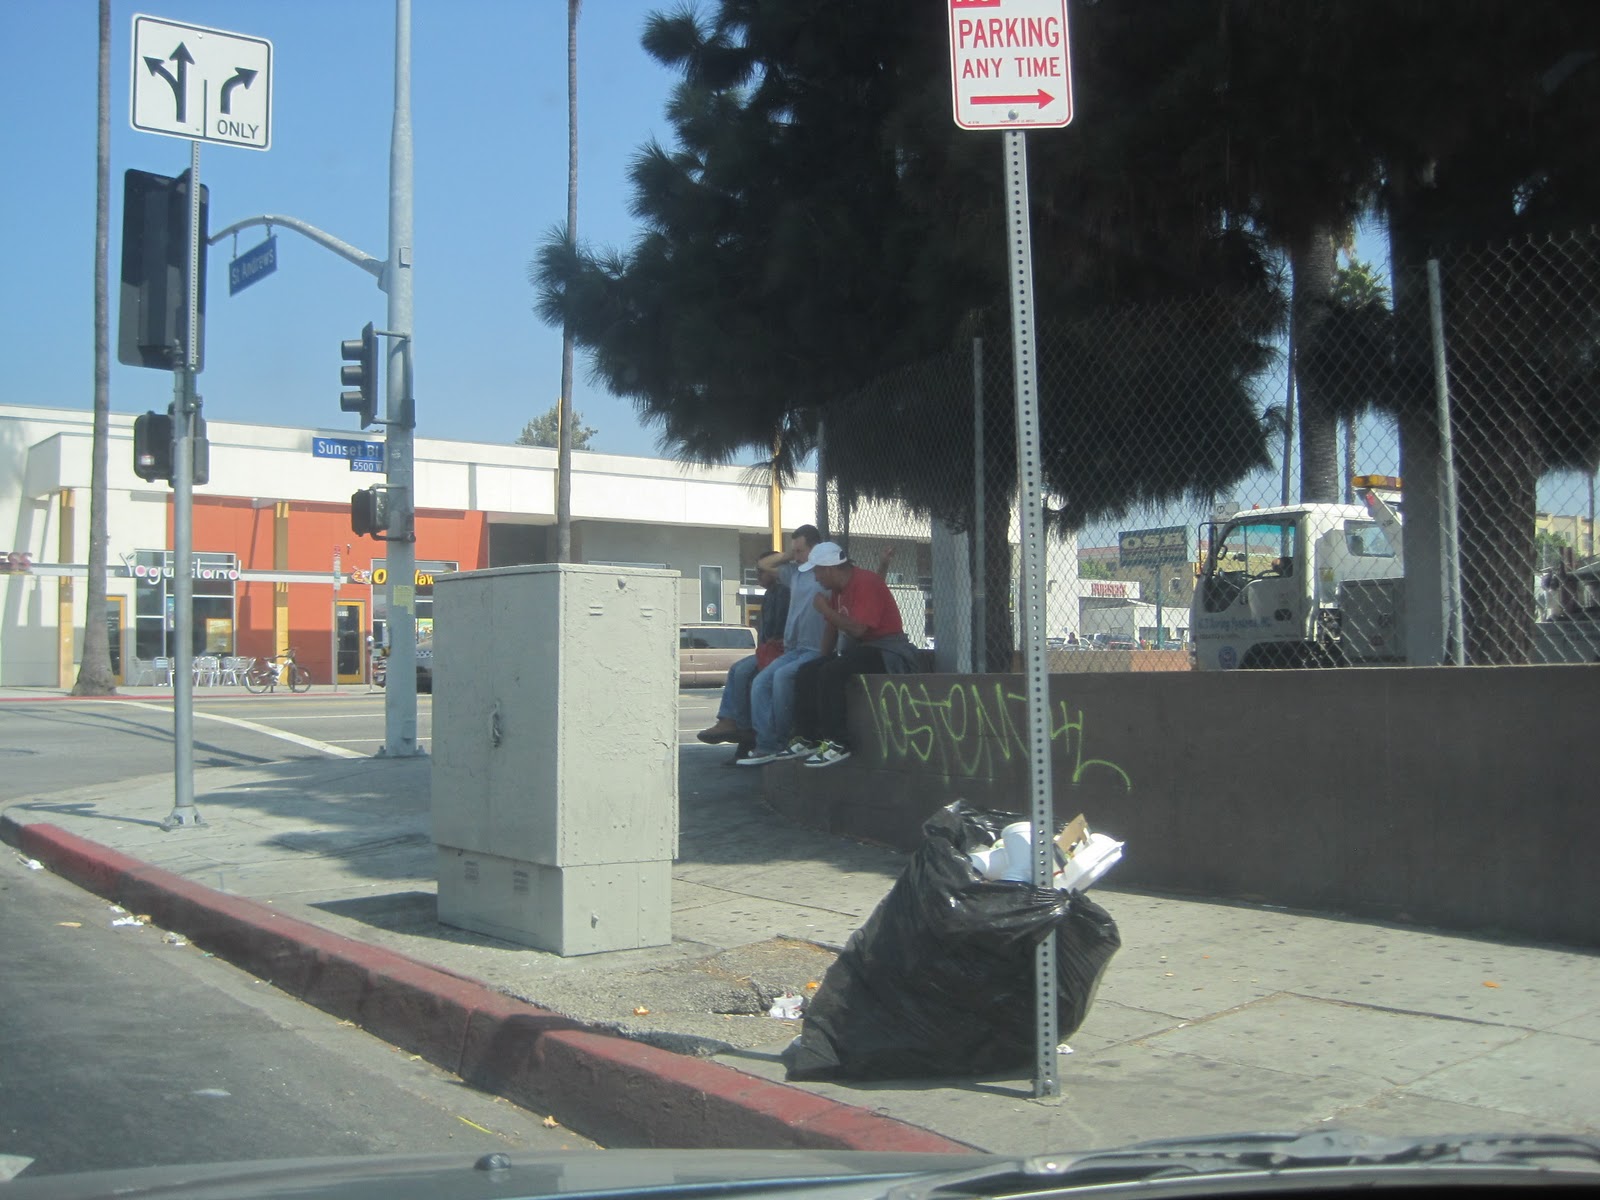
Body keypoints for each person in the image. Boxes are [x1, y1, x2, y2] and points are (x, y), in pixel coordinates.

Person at [780, 542, 920, 768]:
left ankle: (838, 743)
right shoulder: (838, 590)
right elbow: (831, 628)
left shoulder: (865, 583)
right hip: (863, 649)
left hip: (888, 650)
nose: (816, 579)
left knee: (832, 672)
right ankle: (808, 738)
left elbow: (858, 629)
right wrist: (821, 659)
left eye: (817, 572)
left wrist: (826, 610)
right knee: (808, 671)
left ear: (829, 569)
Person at [735, 525, 828, 766]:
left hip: (817, 648)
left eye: (800, 550)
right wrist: (790, 554)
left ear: (815, 548)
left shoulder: (825, 573)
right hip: (795, 649)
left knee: (781, 678)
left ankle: (785, 739)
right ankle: (767, 745)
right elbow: (765, 566)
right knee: (760, 682)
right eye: (794, 551)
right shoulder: (795, 573)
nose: (796, 556)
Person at [695, 566, 789, 755]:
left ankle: (740, 726)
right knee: (739, 669)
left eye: (761, 572)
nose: (757, 576)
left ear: (774, 572)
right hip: (767, 650)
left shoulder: (783, 592)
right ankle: (731, 722)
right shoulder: (770, 595)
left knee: (744, 672)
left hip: (780, 650)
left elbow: (779, 628)